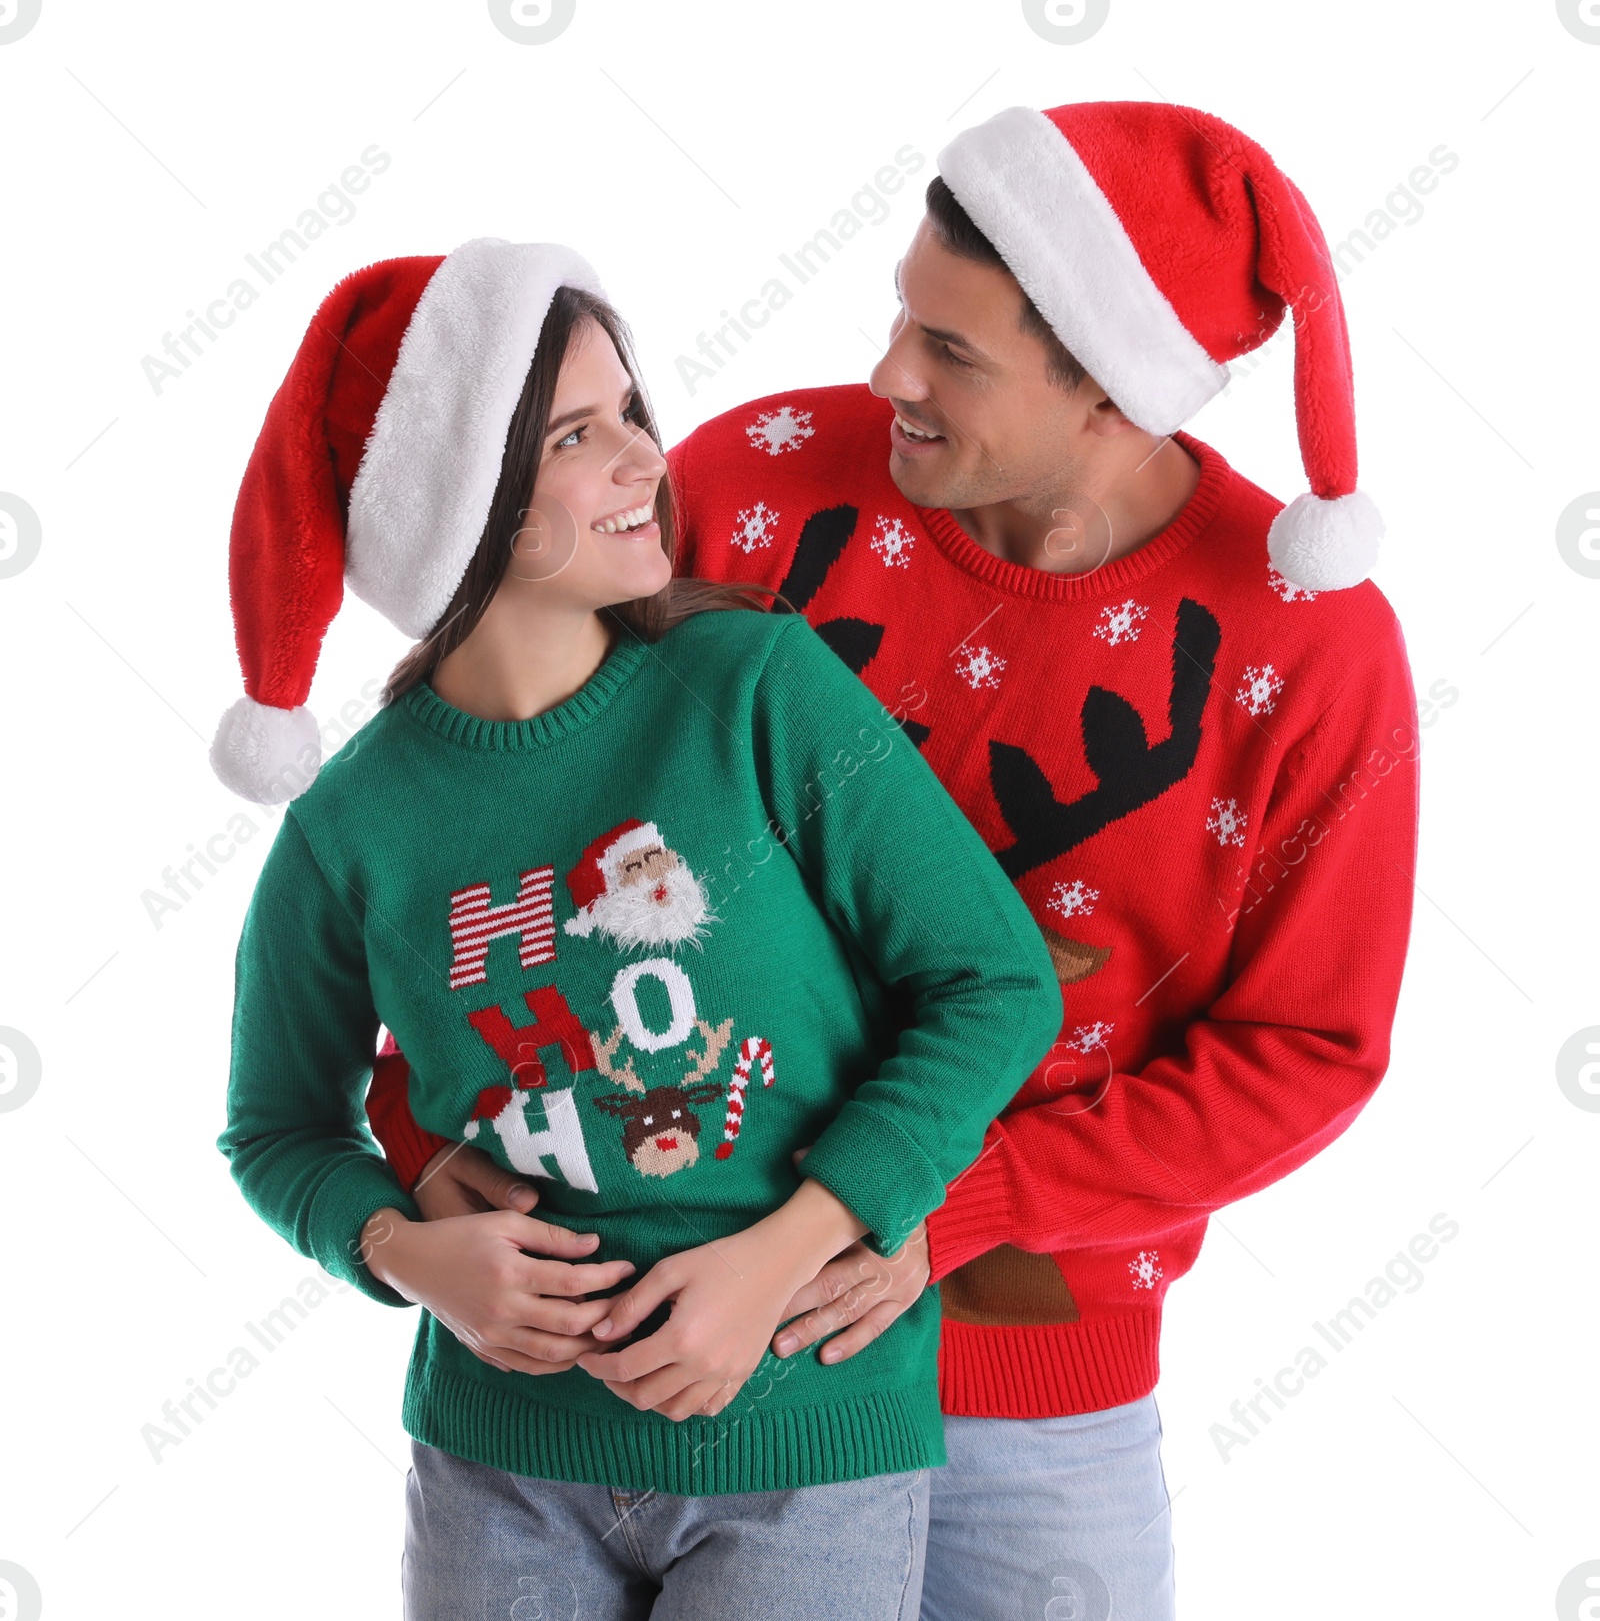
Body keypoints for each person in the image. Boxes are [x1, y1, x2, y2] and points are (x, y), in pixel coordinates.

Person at [367, 103, 1421, 1619]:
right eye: (901, 318)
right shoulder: (758, 486)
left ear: (1115, 391)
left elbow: (1305, 1047)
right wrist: (422, 1131)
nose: (888, 376)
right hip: (661, 1341)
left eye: (953, 352)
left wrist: (966, 1198)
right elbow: (498, 788)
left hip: (1026, 1386)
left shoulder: (1308, 649)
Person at [211, 238, 1063, 1620]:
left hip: (808, 1445)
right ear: (456, 499)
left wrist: (790, 1245)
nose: (646, 460)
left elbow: (993, 983)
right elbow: (277, 1129)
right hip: (500, 1470)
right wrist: (403, 1253)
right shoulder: (349, 825)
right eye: (573, 435)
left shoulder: (755, 690)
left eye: (634, 414)